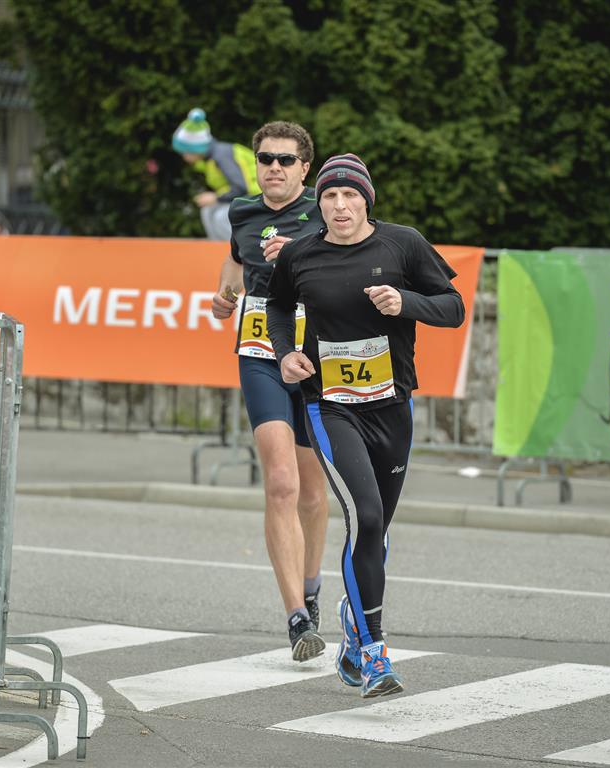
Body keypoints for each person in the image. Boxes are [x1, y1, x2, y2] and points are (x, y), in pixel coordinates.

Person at [266, 154, 465, 697]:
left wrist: (405, 302)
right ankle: (375, 653)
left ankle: (354, 622)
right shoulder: (301, 254)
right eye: (330, 196)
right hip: (329, 405)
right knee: (366, 515)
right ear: (320, 203)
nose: (340, 205)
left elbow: (453, 308)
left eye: (350, 195)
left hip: (391, 406)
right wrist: (285, 354)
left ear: (366, 201)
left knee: (375, 530)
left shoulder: (403, 244)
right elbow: (277, 308)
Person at [210, 121, 330, 662]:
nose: (274, 168)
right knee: (281, 484)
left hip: (317, 357)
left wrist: (300, 255)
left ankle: (312, 586)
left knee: (312, 494)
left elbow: (348, 264)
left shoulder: (327, 209)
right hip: (260, 351)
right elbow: (236, 261)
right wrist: (224, 294)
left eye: (285, 160)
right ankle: (297, 618)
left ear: (305, 167)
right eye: (265, 159)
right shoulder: (242, 212)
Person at [171, 108, 260, 241]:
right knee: (207, 210)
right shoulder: (209, 160)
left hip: (259, 198)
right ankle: (216, 250)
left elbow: (241, 187)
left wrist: (216, 198)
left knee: (222, 217)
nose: (184, 157)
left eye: (185, 152)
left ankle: (241, 250)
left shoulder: (221, 155)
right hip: (247, 198)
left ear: (195, 148)